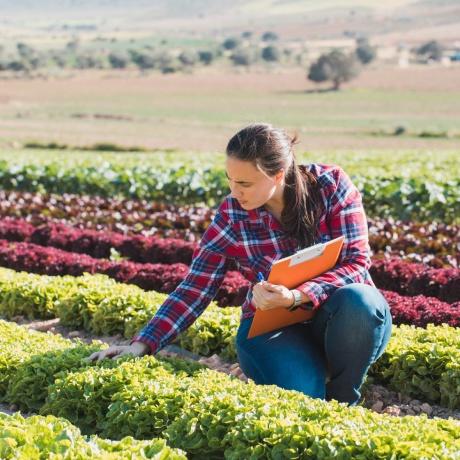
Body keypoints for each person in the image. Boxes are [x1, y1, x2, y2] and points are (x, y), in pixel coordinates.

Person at [89, 122, 392, 406]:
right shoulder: (232, 215)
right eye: (230, 180)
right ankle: (308, 374)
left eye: (245, 183)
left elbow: (356, 262)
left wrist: (298, 295)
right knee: (304, 398)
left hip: (342, 319)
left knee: (360, 300)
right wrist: (142, 344)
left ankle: (342, 400)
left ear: (278, 174)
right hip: (273, 328)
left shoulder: (331, 186)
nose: (235, 192)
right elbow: (195, 287)